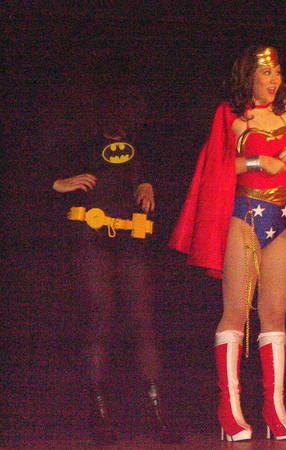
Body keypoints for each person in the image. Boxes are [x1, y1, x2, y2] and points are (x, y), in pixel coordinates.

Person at [169, 45, 286, 441]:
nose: (273, 79)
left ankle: (274, 407)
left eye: (277, 71)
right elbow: (214, 167)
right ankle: (229, 409)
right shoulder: (230, 114)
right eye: (266, 72)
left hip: (281, 220)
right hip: (245, 216)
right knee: (235, 313)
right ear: (248, 75)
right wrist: (256, 162)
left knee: (275, 316)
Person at [51, 93, 181, 445]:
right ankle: (99, 416)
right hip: (92, 238)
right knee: (100, 317)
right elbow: (35, 170)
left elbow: (169, 176)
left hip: (131, 238)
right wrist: (57, 183)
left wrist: (149, 182)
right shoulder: (79, 142)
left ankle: (158, 414)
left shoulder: (143, 144)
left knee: (143, 320)